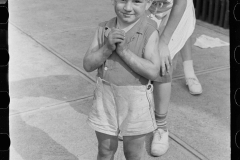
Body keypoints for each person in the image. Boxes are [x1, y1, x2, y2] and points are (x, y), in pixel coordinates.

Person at [83, 0, 161, 159]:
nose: (127, 7)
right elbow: (88, 64)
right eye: (123, 0)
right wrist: (106, 48)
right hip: (105, 97)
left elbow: (153, 72)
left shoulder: (149, 30)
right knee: (105, 149)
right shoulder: (103, 29)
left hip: (136, 99)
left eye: (137, 1)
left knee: (132, 153)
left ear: (148, 3)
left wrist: (124, 51)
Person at [147, 0, 202, 157]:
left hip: (176, 9)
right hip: (146, 8)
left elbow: (180, 3)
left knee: (162, 64)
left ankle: (161, 128)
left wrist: (163, 42)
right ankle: (133, 116)